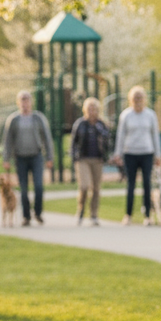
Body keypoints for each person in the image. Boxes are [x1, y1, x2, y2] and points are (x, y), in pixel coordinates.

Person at [2, 90, 54, 227]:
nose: (25, 104)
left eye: (27, 101)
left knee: (38, 186)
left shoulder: (38, 118)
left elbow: (47, 138)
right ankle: (26, 216)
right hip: (20, 158)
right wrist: (6, 159)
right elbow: (8, 140)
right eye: (22, 101)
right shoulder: (13, 119)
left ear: (31, 102)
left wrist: (50, 156)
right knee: (23, 189)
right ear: (18, 103)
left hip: (36, 156)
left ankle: (38, 212)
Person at [113, 86, 161, 226]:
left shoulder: (150, 115)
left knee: (147, 184)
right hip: (130, 153)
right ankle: (128, 215)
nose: (138, 100)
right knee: (131, 184)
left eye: (140, 98)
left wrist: (158, 154)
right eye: (135, 98)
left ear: (144, 99)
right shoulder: (126, 115)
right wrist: (118, 153)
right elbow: (121, 135)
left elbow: (155, 135)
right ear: (131, 99)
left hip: (147, 153)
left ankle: (148, 216)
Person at [69, 97, 110, 226]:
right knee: (84, 186)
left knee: (96, 188)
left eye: (94, 109)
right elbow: (73, 142)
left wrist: (107, 155)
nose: (91, 112)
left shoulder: (101, 125)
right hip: (82, 159)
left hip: (97, 159)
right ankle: (81, 209)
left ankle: (94, 215)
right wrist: (74, 157)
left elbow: (108, 141)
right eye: (89, 109)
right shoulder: (80, 124)